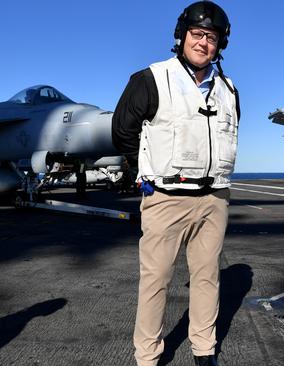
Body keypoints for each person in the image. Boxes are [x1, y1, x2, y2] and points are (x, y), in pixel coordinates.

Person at [111, 2, 239, 365]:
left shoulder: (228, 90)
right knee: (155, 282)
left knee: (207, 278)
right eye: (197, 35)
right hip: (166, 198)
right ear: (182, 36)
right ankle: (148, 357)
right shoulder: (151, 78)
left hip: (214, 198)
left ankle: (203, 350)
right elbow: (123, 131)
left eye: (211, 38)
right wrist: (147, 168)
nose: (203, 43)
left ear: (220, 45)